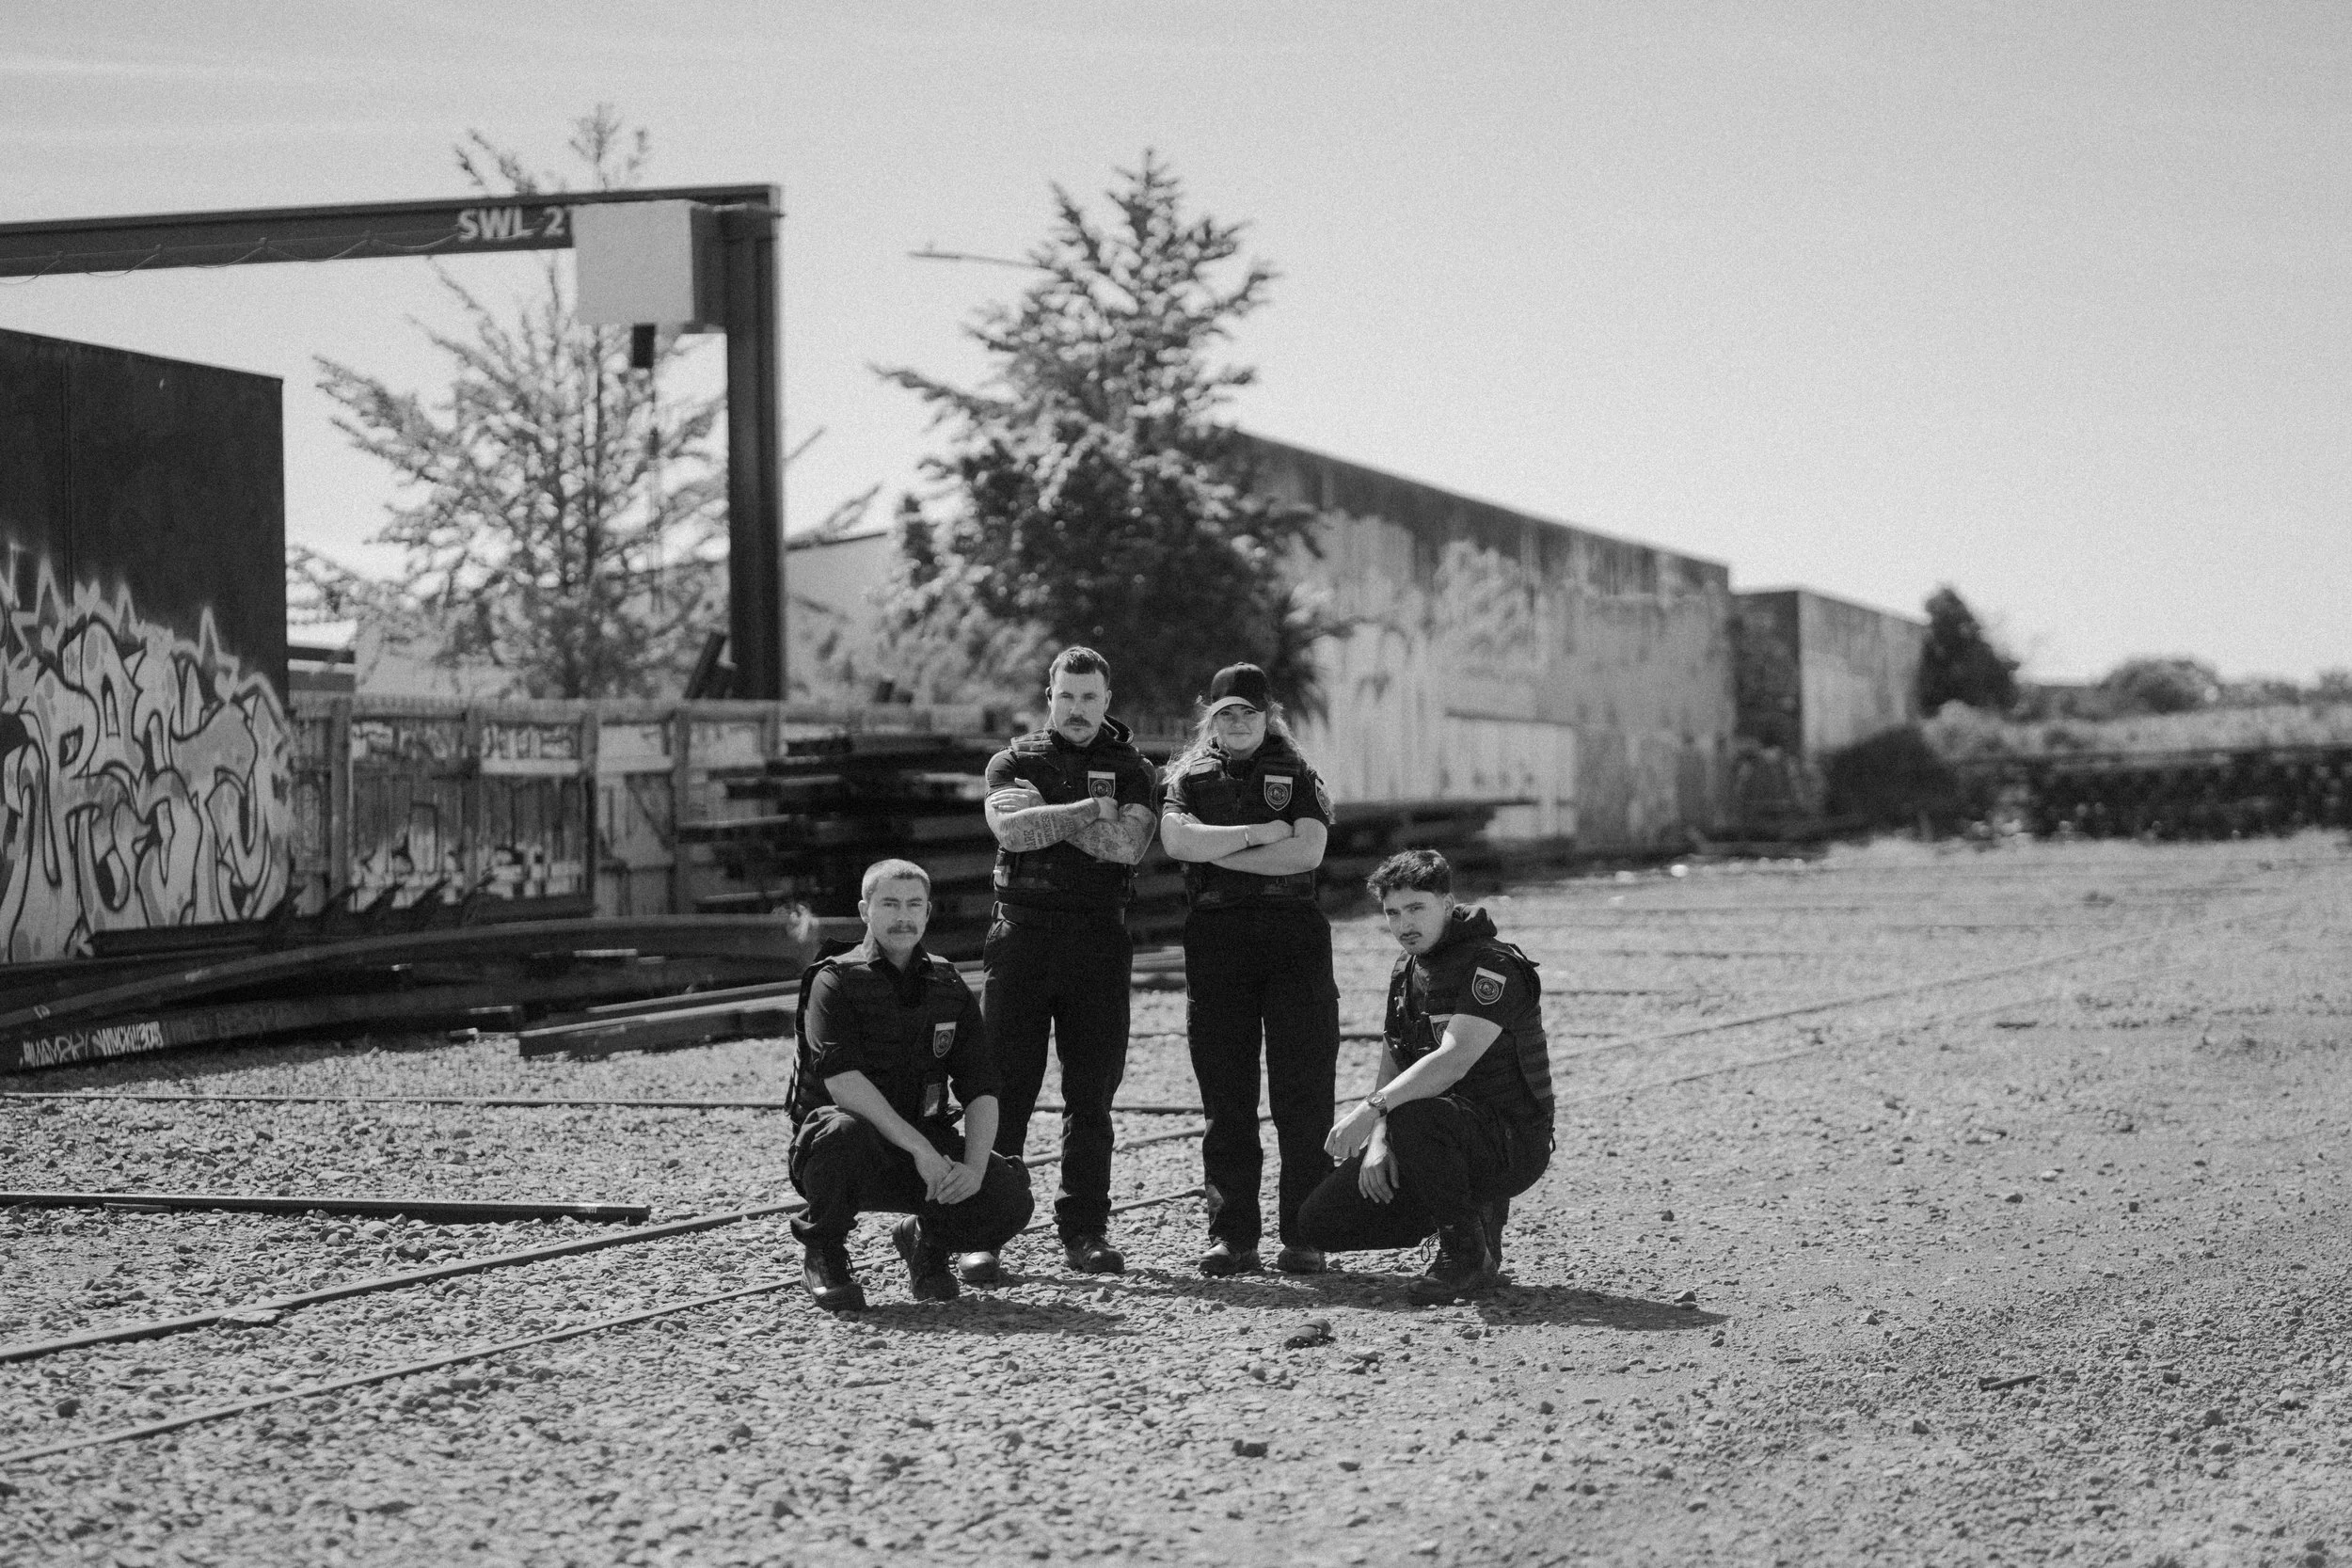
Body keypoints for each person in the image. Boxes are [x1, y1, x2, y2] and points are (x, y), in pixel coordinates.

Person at [971, 646, 1158, 1279]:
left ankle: (1085, 1230)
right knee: (1004, 1089)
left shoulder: (1133, 769)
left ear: (1108, 700)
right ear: (1049, 695)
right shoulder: (1012, 761)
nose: (1077, 709)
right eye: (1066, 696)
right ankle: (983, 1229)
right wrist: (1085, 811)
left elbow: (1127, 846)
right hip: (1021, 937)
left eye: (1089, 697)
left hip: (1097, 942)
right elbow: (1012, 834)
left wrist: (1046, 813)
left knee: (1091, 1094)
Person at [1300, 848, 1554, 1304]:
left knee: (1415, 1117)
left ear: (1447, 902)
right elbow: (1393, 1060)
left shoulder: (1491, 966)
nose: (1403, 925)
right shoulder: (1407, 971)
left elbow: (1452, 1060)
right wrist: (1379, 1139)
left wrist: (1371, 1113)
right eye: (1392, 913)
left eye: (1416, 908)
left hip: (1510, 1143)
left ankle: (1465, 1256)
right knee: (1319, 1223)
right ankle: (1464, 1215)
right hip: (1434, 1134)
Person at [787, 859, 1034, 1311]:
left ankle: (926, 1242)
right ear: (865, 910)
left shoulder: (947, 982)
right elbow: (842, 1081)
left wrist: (974, 1169)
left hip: (924, 1151)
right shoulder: (833, 979)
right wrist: (922, 1150)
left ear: (927, 912)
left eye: (913, 905)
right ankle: (824, 1253)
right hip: (847, 1152)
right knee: (842, 1132)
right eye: (889, 904)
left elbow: (982, 1087)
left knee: (1008, 1194)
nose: (903, 917)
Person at [1159, 662, 1342, 1276]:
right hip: (1217, 940)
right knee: (1226, 1096)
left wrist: (1223, 845)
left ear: (1270, 716)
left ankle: (1307, 1232)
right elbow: (1178, 843)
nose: (1238, 723)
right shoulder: (1187, 777)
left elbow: (1308, 850)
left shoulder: (1298, 774)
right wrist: (1261, 834)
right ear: (1210, 717)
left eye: (1249, 712)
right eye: (1226, 713)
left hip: (1293, 937)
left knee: (1304, 1093)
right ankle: (1233, 1236)